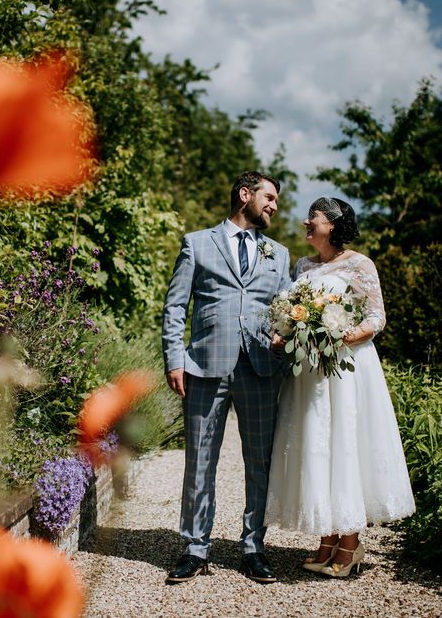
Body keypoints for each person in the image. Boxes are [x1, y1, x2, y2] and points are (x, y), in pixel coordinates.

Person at [263, 197, 415, 577]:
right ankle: (327, 539)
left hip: (345, 369)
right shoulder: (303, 266)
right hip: (310, 374)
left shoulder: (360, 264)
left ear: (332, 224)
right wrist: (286, 334)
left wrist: (340, 335)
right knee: (318, 448)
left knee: (344, 445)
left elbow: (377, 317)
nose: (304, 223)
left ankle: (351, 544)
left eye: (311, 217)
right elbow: (292, 316)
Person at [161, 171, 292, 584]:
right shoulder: (197, 243)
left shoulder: (279, 253)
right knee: (199, 462)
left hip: (260, 369)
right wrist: (174, 359)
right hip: (203, 367)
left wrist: (281, 334)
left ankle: (253, 547)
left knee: (260, 463)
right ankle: (195, 548)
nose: (273, 206)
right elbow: (175, 306)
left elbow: (288, 310)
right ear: (244, 195)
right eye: (268, 198)